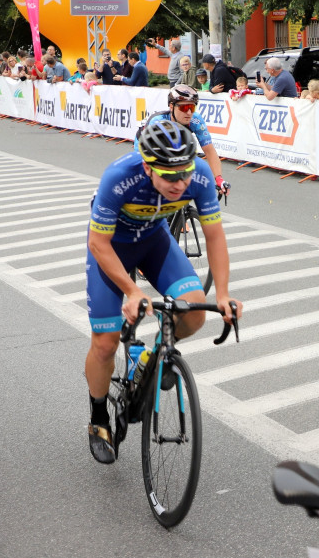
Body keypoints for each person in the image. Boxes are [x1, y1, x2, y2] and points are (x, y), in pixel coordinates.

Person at [84, 120, 242, 463]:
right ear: (146, 167)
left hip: (155, 244)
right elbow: (98, 243)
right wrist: (130, 290)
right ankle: (98, 417)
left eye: (184, 174)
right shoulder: (119, 177)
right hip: (112, 248)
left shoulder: (198, 175)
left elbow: (214, 236)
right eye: (169, 177)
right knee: (106, 342)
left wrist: (225, 292)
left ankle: (148, 358)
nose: (179, 183)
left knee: (194, 311)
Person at [136, 85, 228, 193]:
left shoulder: (195, 120)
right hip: (146, 147)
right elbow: (152, 158)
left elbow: (209, 151)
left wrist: (219, 179)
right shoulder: (158, 122)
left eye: (192, 108)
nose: (189, 112)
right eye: (184, 108)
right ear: (171, 107)